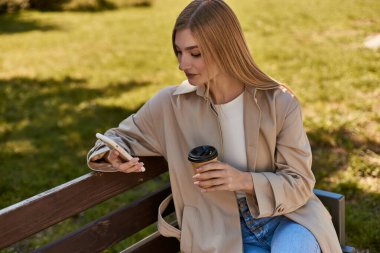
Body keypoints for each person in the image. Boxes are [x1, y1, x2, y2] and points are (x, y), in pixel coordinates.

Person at [87, 0, 342, 252]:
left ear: (225, 48)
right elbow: (117, 138)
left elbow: (299, 182)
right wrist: (112, 153)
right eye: (179, 52)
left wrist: (244, 181)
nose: (182, 64)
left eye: (195, 53)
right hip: (220, 236)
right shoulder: (170, 106)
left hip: (289, 219)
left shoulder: (278, 102)